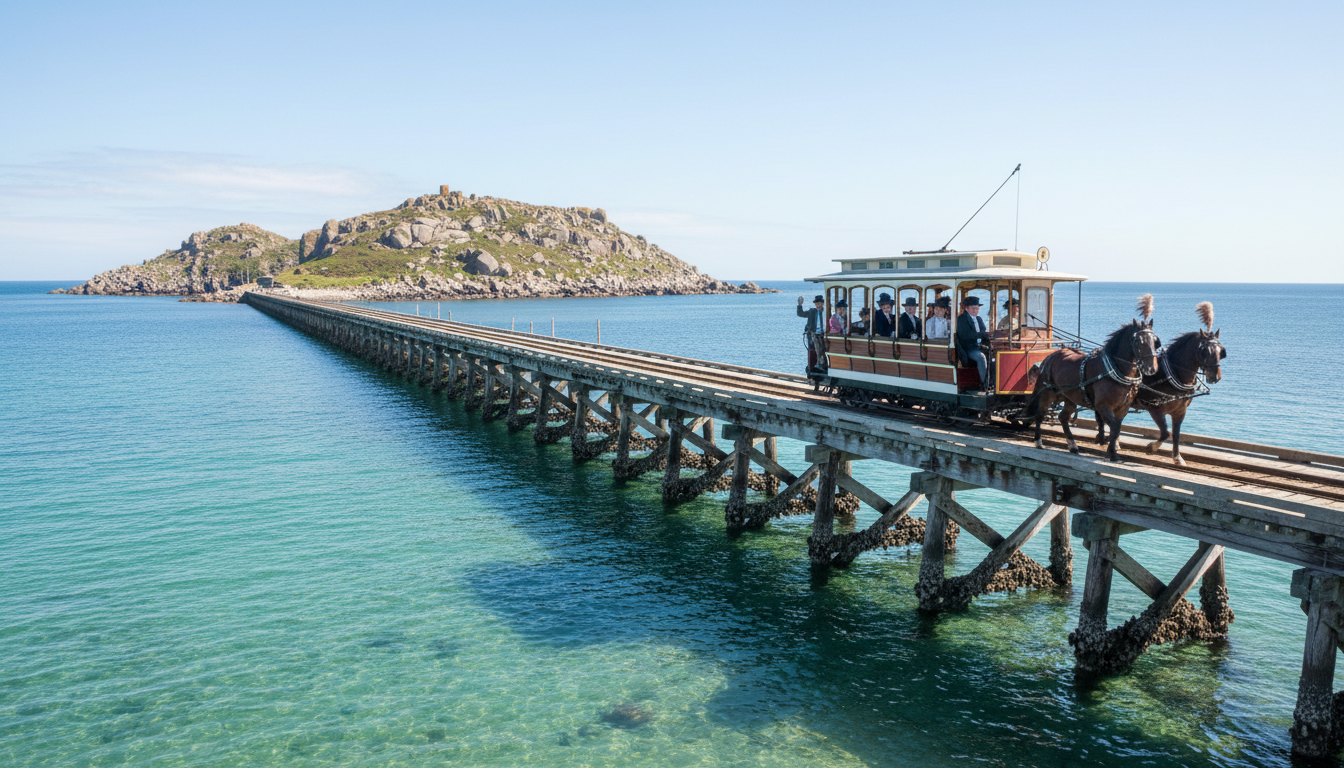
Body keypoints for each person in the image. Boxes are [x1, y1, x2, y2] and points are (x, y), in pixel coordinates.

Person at [956, 296, 992, 388]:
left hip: (980, 346)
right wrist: (980, 335)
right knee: (981, 358)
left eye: (977, 308)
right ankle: (985, 384)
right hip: (969, 348)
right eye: (973, 308)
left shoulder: (979, 319)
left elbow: (983, 332)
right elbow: (965, 336)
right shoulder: (961, 319)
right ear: (966, 308)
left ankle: (993, 381)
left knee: (994, 354)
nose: (976, 311)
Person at [796, 294, 826, 372]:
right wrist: (800, 305)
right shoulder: (812, 311)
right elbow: (801, 314)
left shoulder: (827, 312)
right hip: (814, 334)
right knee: (814, 343)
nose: (818, 305)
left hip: (824, 334)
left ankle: (824, 363)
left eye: (819, 303)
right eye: (817, 304)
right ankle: (816, 364)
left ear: (823, 303)